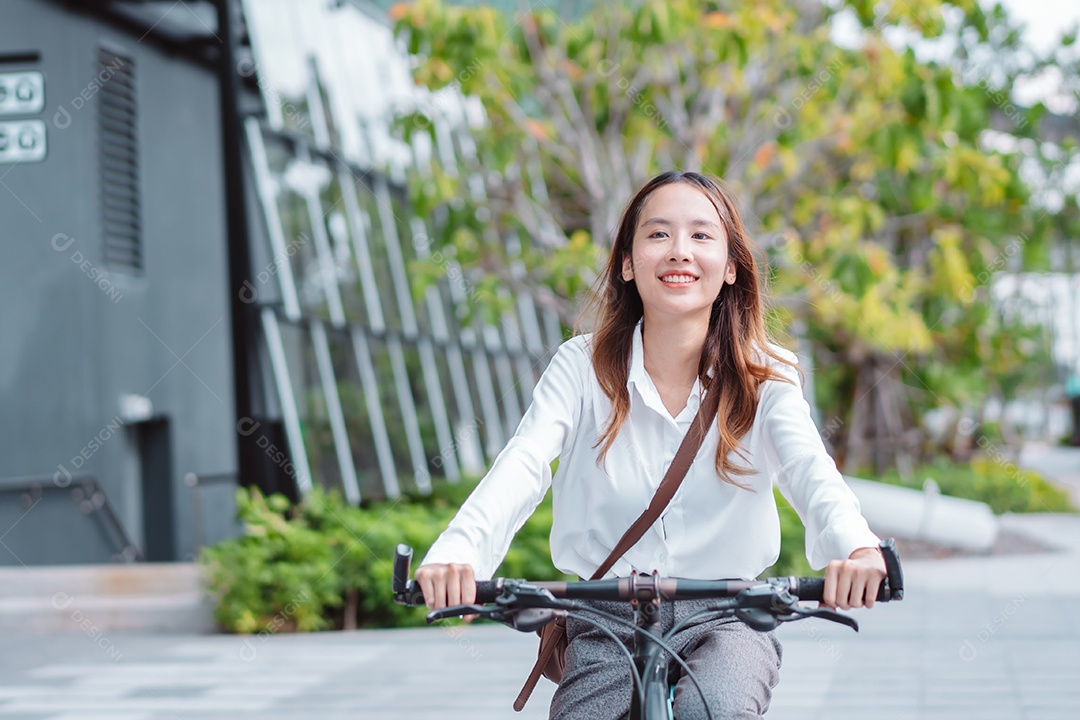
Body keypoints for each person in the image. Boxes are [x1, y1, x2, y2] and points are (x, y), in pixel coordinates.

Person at [416, 171, 886, 719]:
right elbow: (524, 463)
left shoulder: (766, 374)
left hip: (730, 614)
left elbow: (808, 467)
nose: (679, 250)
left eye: (701, 235)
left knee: (717, 708)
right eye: (658, 234)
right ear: (627, 262)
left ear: (731, 266)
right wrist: (459, 554)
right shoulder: (581, 367)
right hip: (606, 614)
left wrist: (855, 548)